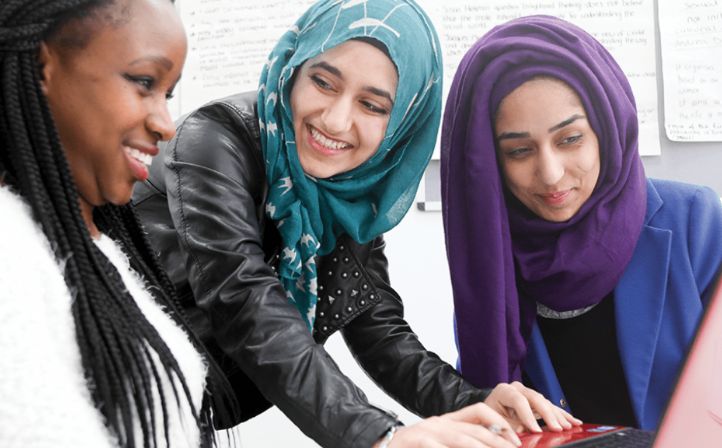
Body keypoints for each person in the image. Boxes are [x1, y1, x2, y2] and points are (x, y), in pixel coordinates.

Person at [132, 1, 579, 447]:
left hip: (185, 413)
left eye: (372, 104)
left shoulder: (345, 194)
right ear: (294, 67)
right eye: (323, 82)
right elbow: (243, 299)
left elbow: (379, 331)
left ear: (403, 119)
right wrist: (381, 437)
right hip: (119, 394)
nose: (336, 120)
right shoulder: (215, 138)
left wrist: (479, 404)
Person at [440, 14, 722, 431]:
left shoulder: (695, 225)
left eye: (570, 139)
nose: (551, 174)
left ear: (606, 129)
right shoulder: (491, 267)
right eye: (519, 151)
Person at [0, 0, 239, 446]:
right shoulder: (10, 253)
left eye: (166, 94)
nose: (166, 125)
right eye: (144, 82)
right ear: (41, 67)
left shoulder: (98, 236)